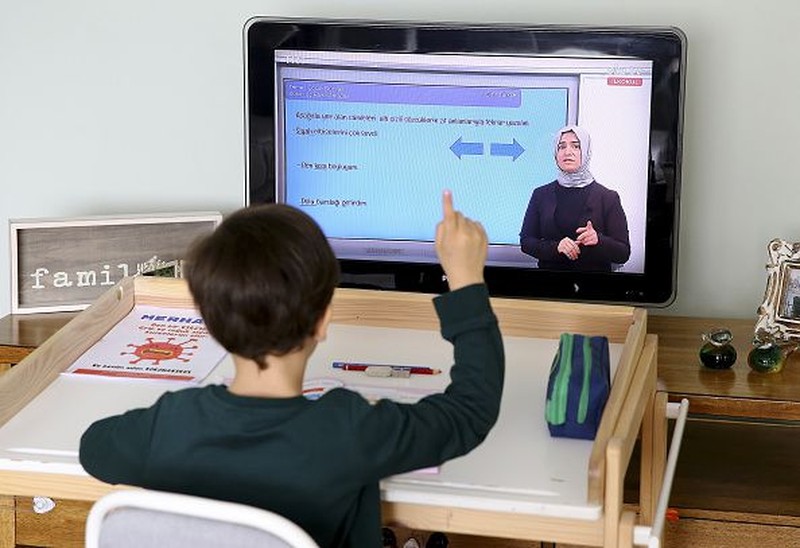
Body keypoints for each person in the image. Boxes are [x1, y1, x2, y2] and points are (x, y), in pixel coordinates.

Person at [79, 191, 504, 548]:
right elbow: (470, 411)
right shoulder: (348, 430)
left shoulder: (169, 424)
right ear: (323, 321)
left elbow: (93, 448)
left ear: (210, 324)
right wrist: (466, 281)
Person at [519, 125, 631, 272]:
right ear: (556, 153)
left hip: (594, 288)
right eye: (562, 146)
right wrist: (555, 247)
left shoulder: (608, 197)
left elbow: (623, 253)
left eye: (576, 146)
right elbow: (526, 241)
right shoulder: (540, 194)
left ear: (585, 152)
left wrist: (598, 240)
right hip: (548, 287)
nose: (568, 152)